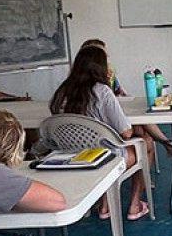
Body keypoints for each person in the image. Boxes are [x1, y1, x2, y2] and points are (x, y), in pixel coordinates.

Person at [50, 45, 155, 220]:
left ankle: (105, 204)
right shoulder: (102, 91)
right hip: (104, 158)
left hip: (71, 157)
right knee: (147, 143)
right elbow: (126, 132)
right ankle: (135, 205)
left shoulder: (62, 92)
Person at [79, 38, 172, 160]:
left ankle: (169, 147)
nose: (107, 61)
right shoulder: (101, 89)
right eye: (104, 57)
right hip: (103, 137)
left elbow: (121, 94)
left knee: (141, 131)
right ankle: (168, 147)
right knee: (145, 138)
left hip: (74, 141)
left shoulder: (66, 89)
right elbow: (125, 132)